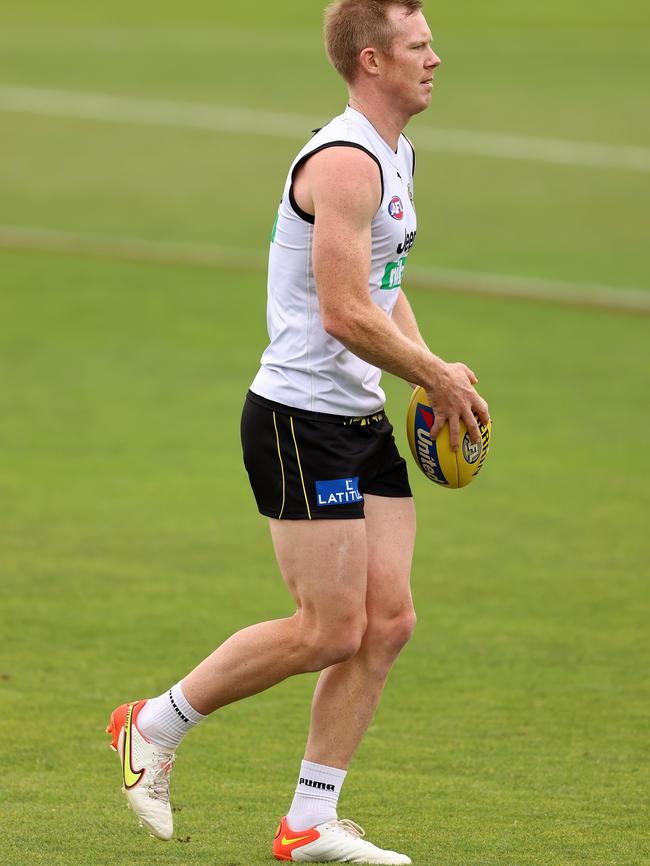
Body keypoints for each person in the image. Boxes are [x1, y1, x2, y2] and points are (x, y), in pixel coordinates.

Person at [106, 1, 490, 863]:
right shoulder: (347, 162)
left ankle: (310, 822)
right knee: (327, 629)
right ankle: (149, 725)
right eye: (419, 46)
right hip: (298, 423)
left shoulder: (396, 154)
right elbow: (345, 311)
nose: (436, 58)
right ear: (372, 62)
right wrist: (429, 376)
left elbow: (383, 282)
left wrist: (436, 372)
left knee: (387, 621)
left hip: (358, 417)